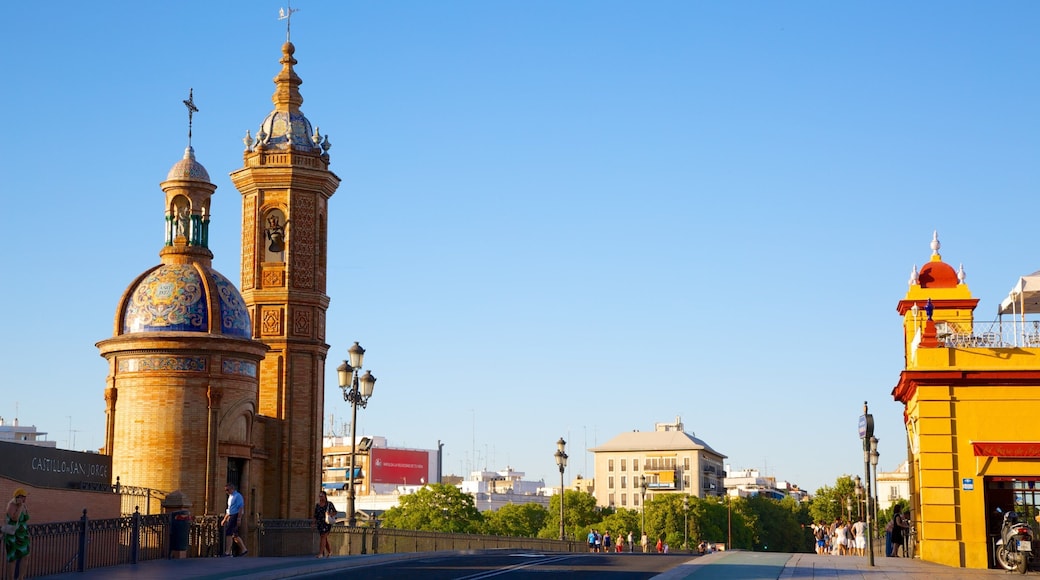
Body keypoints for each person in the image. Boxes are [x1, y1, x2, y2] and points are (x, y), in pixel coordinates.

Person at [5, 489, 29, 580]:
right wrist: (20, 507)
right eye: (23, 496)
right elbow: (14, 519)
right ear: (18, 497)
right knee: (13, 559)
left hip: (23, 535)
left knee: (26, 556)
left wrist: (24, 507)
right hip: (12, 535)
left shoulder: (24, 505)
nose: (25, 498)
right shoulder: (11, 505)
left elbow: (26, 519)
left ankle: (20, 578)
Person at [222, 483, 248, 557]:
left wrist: (239, 518)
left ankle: (227, 552)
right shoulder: (230, 497)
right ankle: (244, 549)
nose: (226, 492)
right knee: (234, 534)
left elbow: (240, 508)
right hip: (231, 515)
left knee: (228, 533)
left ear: (232, 489)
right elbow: (229, 509)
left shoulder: (237, 496)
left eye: (227, 490)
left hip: (235, 515)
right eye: (225, 490)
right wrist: (225, 519)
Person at [313, 490, 337, 558]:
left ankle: (320, 553)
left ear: (325, 496)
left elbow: (335, 512)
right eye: (319, 496)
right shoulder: (317, 505)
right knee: (324, 538)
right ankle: (330, 551)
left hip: (327, 523)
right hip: (320, 523)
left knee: (323, 537)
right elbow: (315, 515)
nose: (321, 497)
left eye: (322, 496)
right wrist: (313, 523)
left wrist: (330, 514)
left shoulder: (329, 504)